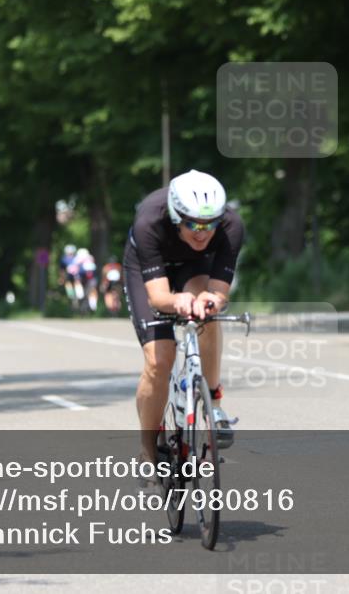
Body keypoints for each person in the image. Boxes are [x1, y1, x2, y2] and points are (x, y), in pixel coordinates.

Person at [124, 169, 245, 476]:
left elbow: (218, 291)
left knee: (207, 313)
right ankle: (148, 452)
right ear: (177, 217)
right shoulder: (149, 223)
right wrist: (175, 301)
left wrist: (210, 300)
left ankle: (213, 403)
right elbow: (158, 297)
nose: (202, 232)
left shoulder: (231, 226)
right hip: (149, 268)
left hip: (193, 266)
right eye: (193, 223)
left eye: (209, 224)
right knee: (159, 359)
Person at [75, 248, 98, 312]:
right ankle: (91, 304)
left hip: (88, 279)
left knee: (91, 290)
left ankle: (91, 304)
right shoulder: (90, 258)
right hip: (86, 278)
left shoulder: (78, 259)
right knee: (92, 291)